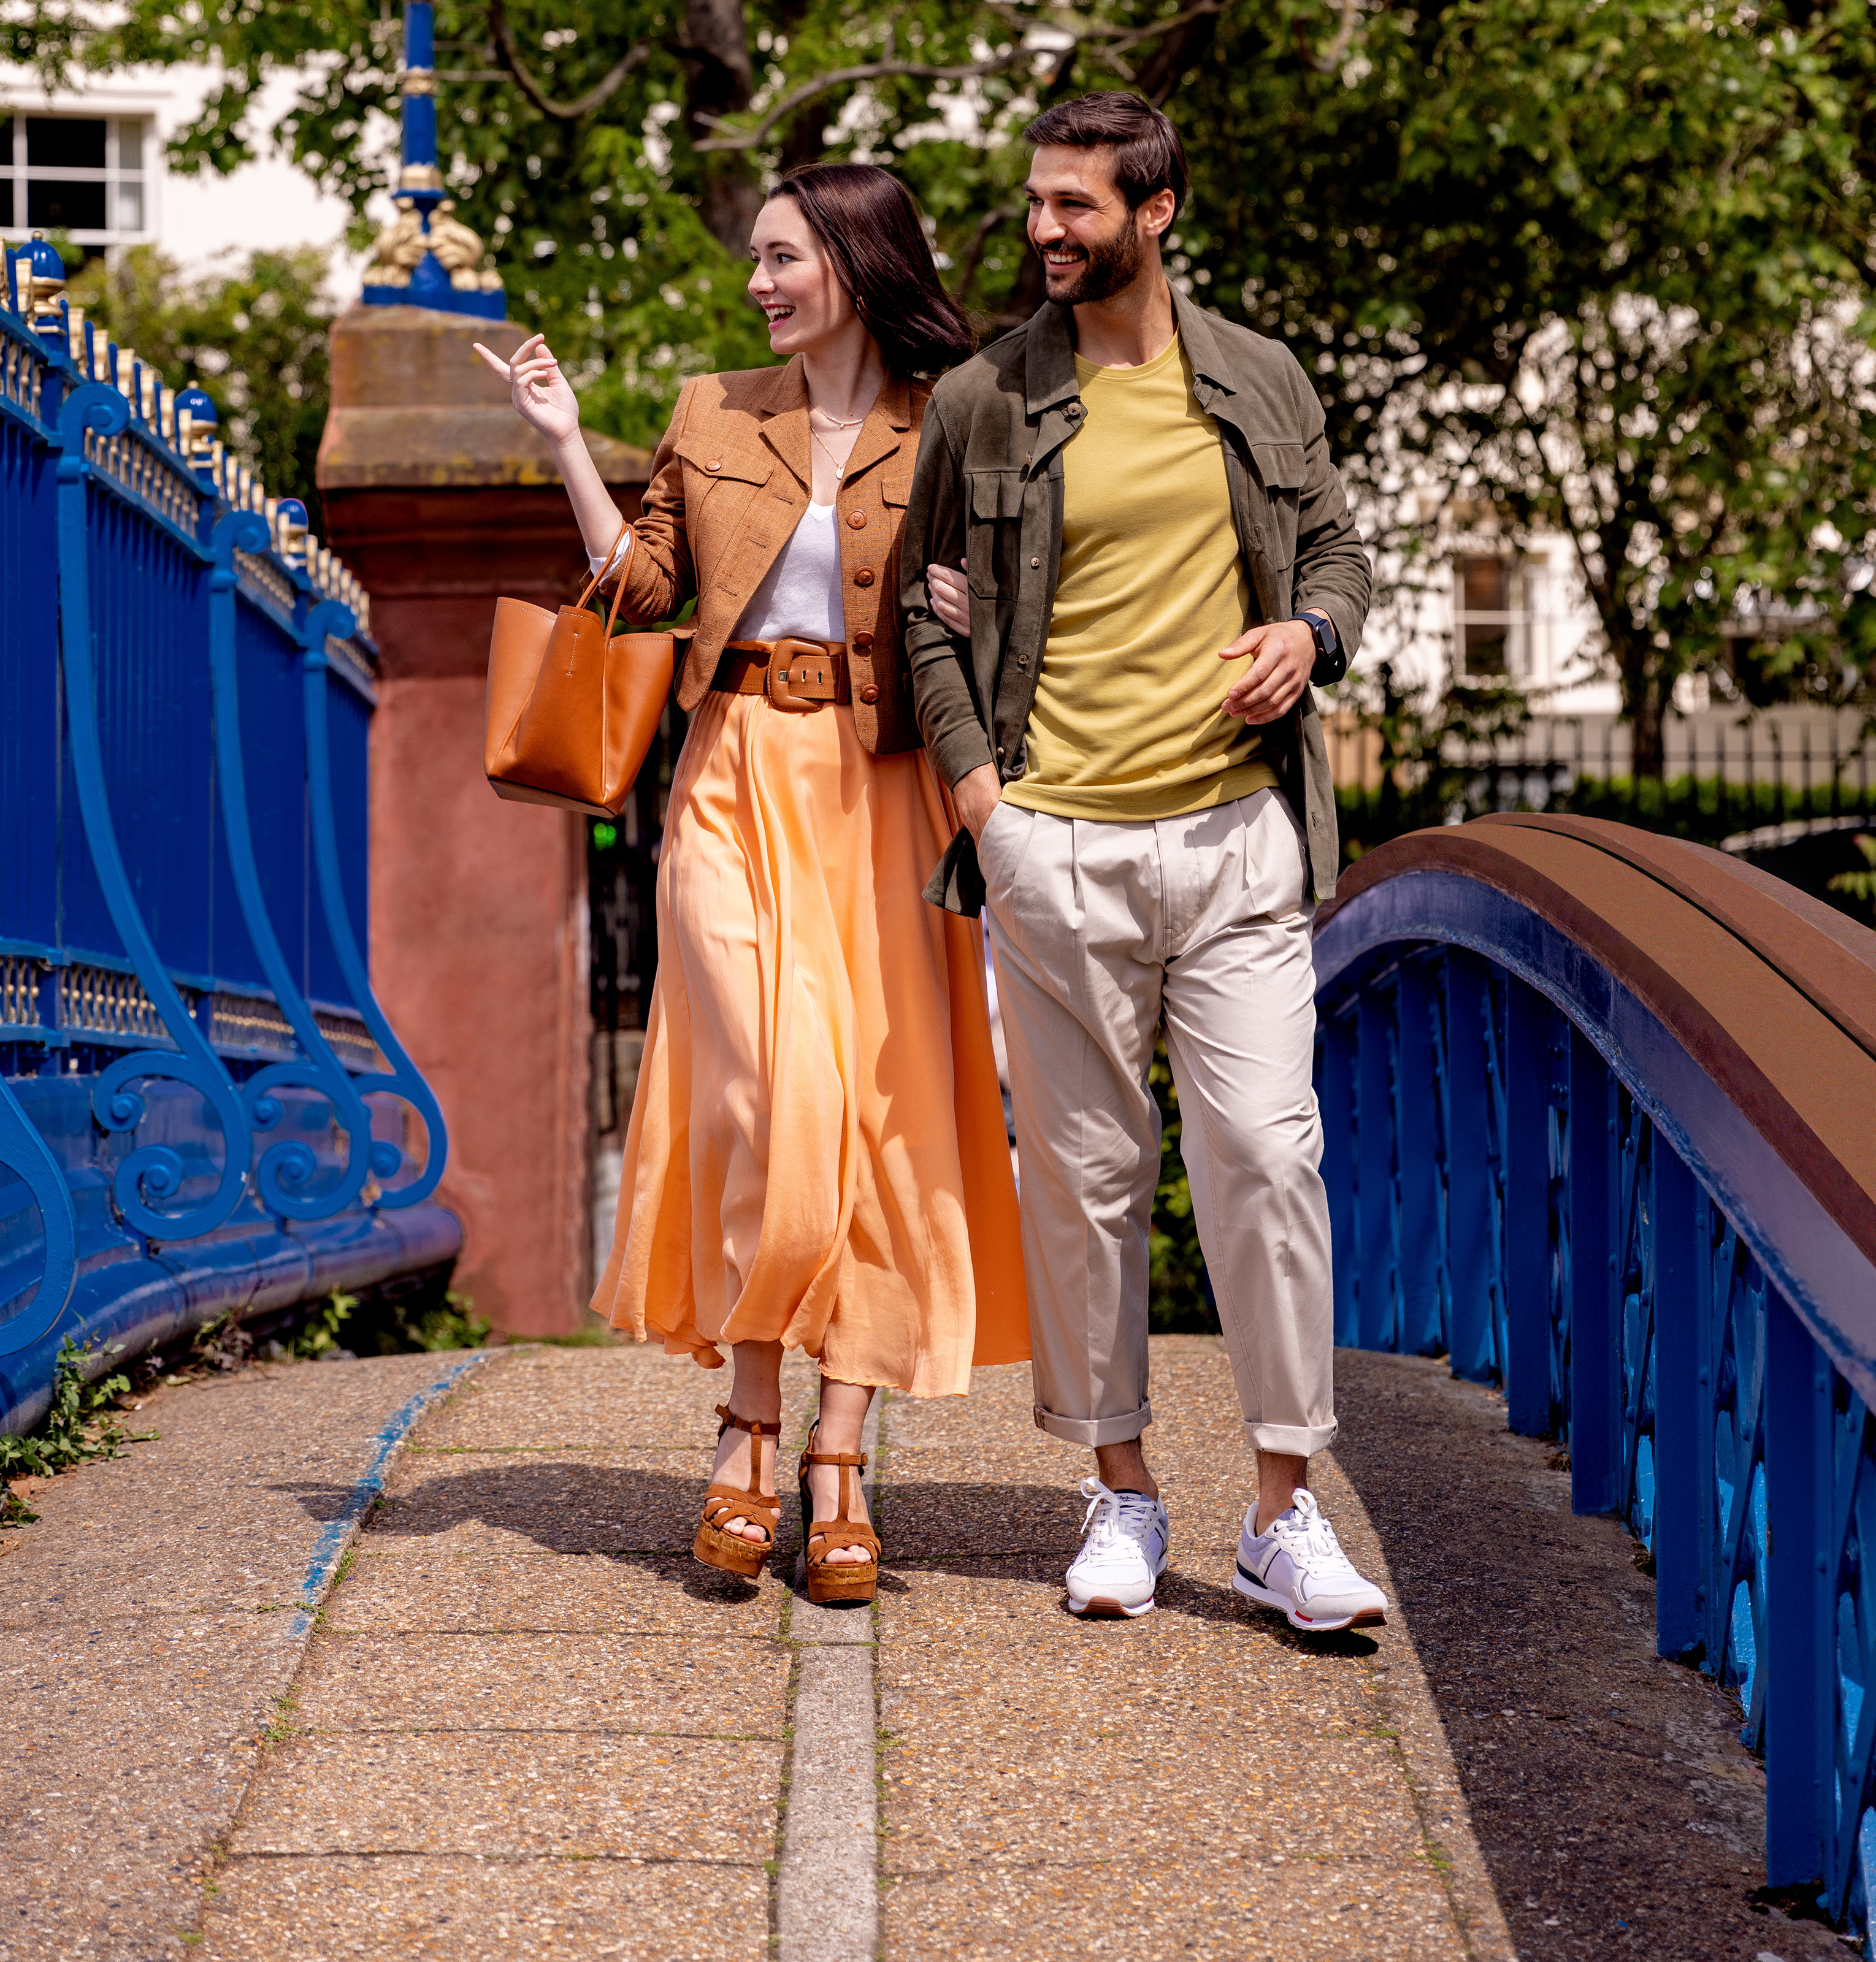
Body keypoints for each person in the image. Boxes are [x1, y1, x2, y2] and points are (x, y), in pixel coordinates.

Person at [484, 164, 1029, 1606]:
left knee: (876, 1116)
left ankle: (832, 1454)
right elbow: (640, 588)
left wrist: (984, 613)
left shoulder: (960, 416)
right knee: (758, 1098)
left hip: (891, 789)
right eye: (755, 260)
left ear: (853, 260)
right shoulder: (713, 410)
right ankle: (747, 1408)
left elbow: (1022, 601)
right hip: (731, 772)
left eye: (782, 256)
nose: (759, 282)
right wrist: (562, 444)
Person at [902, 91, 1385, 1635]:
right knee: (1091, 1179)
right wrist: (986, 802)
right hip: (1058, 847)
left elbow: (1339, 558)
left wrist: (1308, 637)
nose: (1044, 230)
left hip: (1240, 835)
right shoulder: (985, 395)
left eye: (1077, 207)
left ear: (1157, 210)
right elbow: (925, 606)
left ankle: (1284, 1514)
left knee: (1267, 1158)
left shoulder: (1259, 379)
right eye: (1036, 203)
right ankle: (1120, 1490)